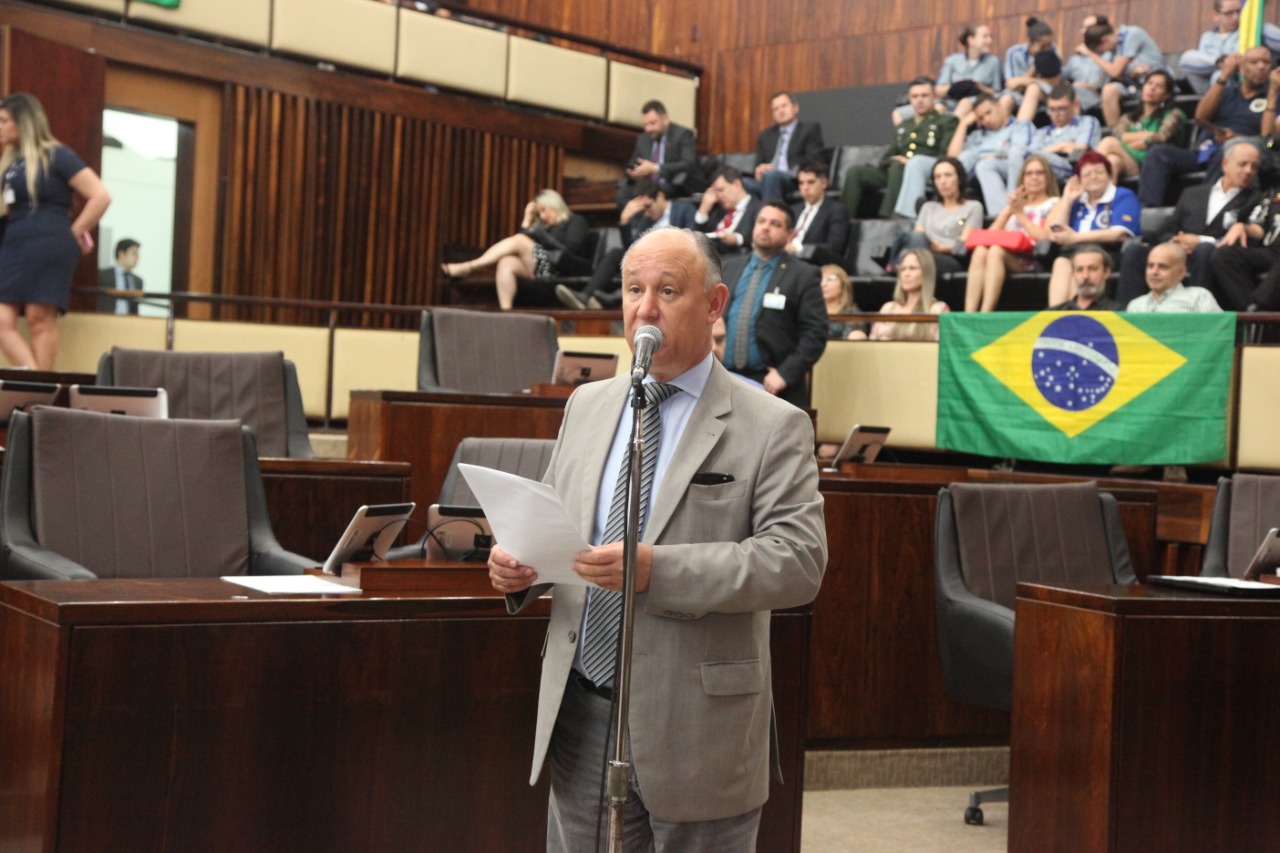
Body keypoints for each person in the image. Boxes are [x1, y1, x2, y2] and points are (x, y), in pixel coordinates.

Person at [487, 226, 827, 852]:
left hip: (697, 723)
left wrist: (657, 570)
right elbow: (559, 523)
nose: (645, 308)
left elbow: (796, 561)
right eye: (633, 289)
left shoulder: (773, 425)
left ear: (715, 304)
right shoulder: (587, 404)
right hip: (583, 710)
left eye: (668, 291)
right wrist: (519, 564)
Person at [0, 92, 110, 370]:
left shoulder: (58, 155)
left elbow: (100, 196)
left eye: (3, 121)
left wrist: (75, 231)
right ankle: (35, 382)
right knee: (2, 320)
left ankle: (35, 391)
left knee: (39, 317)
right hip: (15, 243)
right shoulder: (11, 164)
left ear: (23, 122)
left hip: (51, 241)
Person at [1116, 140, 1261, 304]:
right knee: (1134, 252)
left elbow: (1248, 243)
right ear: (1225, 164)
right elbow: (1167, 229)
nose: (1249, 171)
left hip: (1213, 257)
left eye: (1254, 166)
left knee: (1204, 250)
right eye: (1243, 164)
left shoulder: (1256, 199)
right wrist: (1175, 242)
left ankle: (1197, 314)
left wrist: (1201, 241)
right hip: (1178, 253)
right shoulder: (1193, 193)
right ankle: (1125, 317)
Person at [721, 202, 828, 407]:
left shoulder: (803, 275)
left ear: (789, 234)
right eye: (761, 221)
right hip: (725, 380)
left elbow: (815, 333)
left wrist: (785, 374)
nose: (765, 227)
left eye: (775, 224)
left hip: (772, 385)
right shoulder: (728, 268)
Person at [1138, 46, 1273, 207]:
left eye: (1266, 62)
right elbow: (1200, 117)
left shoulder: (1273, 97)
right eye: (1254, 62)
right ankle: (1148, 212)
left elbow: (1267, 136)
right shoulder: (1228, 91)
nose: (1261, 66)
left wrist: (1237, 139)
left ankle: (1200, 212)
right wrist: (1224, 76)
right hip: (1206, 149)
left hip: (1240, 153)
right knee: (1158, 153)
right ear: (1242, 67)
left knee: (1227, 153)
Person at [557, 180, 697, 310]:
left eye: (648, 206)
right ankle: (586, 296)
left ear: (660, 196)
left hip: (672, 260)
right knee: (616, 253)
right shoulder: (647, 219)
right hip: (647, 260)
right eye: (643, 209)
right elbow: (632, 249)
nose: (646, 212)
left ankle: (609, 299)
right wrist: (625, 221)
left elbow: (691, 239)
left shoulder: (684, 210)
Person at [442, 188, 590, 310]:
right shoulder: (545, 228)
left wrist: (540, 235)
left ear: (555, 204)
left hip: (562, 268)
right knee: (507, 262)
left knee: (520, 240)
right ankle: (506, 311)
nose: (543, 217)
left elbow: (571, 250)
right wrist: (526, 219)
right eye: (539, 214)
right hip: (541, 267)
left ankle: (468, 267)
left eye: (545, 210)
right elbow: (520, 243)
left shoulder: (576, 221)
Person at [895, 94, 1032, 219]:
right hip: (970, 170)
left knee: (973, 157)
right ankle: (908, 215)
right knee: (917, 161)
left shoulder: (1019, 126)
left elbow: (1020, 153)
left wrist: (986, 156)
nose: (986, 119)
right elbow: (952, 157)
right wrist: (963, 124)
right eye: (981, 118)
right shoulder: (978, 135)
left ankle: (937, 201)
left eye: (988, 112)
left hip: (1004, 167)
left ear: (999, 106)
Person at [842, 77, 958, 220]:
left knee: (898, 167)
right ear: (909, 99)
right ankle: (843, 219)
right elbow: (889, 154)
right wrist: (891, 161)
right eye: (915, 96)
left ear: (933, 96)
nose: (919, 100)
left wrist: (908, 162)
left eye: (924, 95)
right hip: (895, 171)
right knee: (855, 172)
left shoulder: (946, 121)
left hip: (923, 171)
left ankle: (887, 219)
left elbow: (944, 156)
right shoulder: (905, 125)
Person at [976, 83, 1098, 212]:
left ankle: (1013, 205)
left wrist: (1052, 150)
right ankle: (999, 212)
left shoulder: (1087, 122)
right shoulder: (1042, 132)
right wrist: (1063, 145)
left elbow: (1079, 152)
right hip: (1039, 164)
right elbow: (1031, 157)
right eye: (1052, 109)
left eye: (1061, 108)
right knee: (984, 165)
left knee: (1019, 152)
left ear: (1074, 105)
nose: (1056, 114)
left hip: (1066, 166)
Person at [1043, 151, 1142, 305]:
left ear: (1109, 175)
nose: (1094, 177)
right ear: (1079, 180)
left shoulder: (1122, 195)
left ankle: (1080, 316)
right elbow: (1056, 233)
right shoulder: (1077, 200)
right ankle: (1056, 318)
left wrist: (1074, 238)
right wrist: (1067, 199)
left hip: (1107, 252)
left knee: (1083, 263)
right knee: (1061, 263)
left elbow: (1119, 233)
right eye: (1087, 174)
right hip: (1074, 253)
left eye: (1099, 172)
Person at [965, 154, 1060, 312]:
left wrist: (1021, 216)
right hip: (1006, 255)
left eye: (1039, 173)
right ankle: (969, 313)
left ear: (1048, 177)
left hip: (1033, 260)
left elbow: (1045, 237)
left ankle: (985, 313)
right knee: (981, 251)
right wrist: (1008, 210)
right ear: (1022, 179)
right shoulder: (1014, 206)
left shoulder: (1055, 203)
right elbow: (989, 236)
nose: (1034, 177)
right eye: (1029, 174)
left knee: (995, 251)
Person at [1094, 70, 1188, 183]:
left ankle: (1084, 179)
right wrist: (1147, 136)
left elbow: (1161, 137)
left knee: (1109, 143)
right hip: (1129, 162)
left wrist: (1129, 139)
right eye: (1149, 83)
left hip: (1151, 165)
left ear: (1166, 95)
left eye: (1159, 86)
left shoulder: (1174, 114)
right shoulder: (1129, 117)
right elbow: (1118, 134)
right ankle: (1105, 199)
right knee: (1113, 161)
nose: (1152, 88)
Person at [895, 157, 983, 274]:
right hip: (924, 253)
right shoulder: (928, 207)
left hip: (952, 259)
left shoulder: (973, 207)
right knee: (912, 240)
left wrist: (941, 248)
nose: (942, 181)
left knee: (912, 259)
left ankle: (896, 264)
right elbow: (918, 237)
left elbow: (965, 244)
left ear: (959, 178)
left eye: (948, 175)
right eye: (938, 177)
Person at [1071, 16, 1164, 126]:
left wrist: (1090, 54)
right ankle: (1114, 132)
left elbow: (1115, 71)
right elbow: (1117, 76)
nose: (1103, 53)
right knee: (1109, 90)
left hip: (1158, 83)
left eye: (1100, 50)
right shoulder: (1114, 47)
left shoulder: (1131, 34)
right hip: (1135, 86)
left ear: (1105, 40)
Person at [1180, 0, 1280, 93]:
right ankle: (1224, 61)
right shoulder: (1207, 37)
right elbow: (1200, 66)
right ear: (1216, 15)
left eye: (1238, 12)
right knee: (1186, 57)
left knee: (1218, 76)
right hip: (1207, 89)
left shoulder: (1254, 31)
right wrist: (1224, 62)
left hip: (1239, 85)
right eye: (1229, 13)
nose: (1235, 17)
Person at [1210, 178, 1280, 311]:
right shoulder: (1274, 194)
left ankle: (1258, 307)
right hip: (1272, 250)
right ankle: (1251, 311)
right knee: (1223, 255)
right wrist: (1243, 227)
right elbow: (1258, 227)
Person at [617, 99, 701, 205]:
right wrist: (633, 173)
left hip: (671, 185)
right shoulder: (643, 139)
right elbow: (633, 163)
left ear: (665, 119)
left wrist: (655, 168)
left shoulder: (682, 135)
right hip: (647, 186)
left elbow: (689, 163)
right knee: (623, 194)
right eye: (645, 125)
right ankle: (634, 221)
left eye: (652, 123)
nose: (648, 129)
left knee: (652, 195)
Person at [744, 92, 825, 201]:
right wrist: (760, 169)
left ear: (795, 107)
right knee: (739, 183)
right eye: (776, 109)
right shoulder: (766, 136)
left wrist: (785, 171)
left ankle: (772, 216)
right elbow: (758, 164)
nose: (780, 111)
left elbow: (815, 159)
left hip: (793, 179)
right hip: (768, 180)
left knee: (772, 176)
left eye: (784, 106)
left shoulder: (809, 129)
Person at [869, 248, 950, 341]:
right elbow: (872, 342)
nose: (906, 274)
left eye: (912, 268)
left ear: (926, 273)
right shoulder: (888, 308)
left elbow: (943, 348)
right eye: (903, 269)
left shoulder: (938, 309)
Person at [929, 24, 1002, 122]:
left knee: (965, 103)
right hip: (951, 101)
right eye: (985, 37)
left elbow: (997, 92)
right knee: (937, 108)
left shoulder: (993, 61)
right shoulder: (952, 60)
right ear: (971, 40)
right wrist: (958, 86)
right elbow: (939, 89)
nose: (990, 41)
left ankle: (951, 131)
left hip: (977, 102)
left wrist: (977, 86)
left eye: (990, 36)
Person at [1126, 241, 1223, 312]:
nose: (1154, 272)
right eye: (1150, 266)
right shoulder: (1135, 305)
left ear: (1181, 272)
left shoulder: (1199, 297)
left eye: (1163, 267)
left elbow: (1216, 333)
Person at [787, 161, 848, 265]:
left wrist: (799, 248)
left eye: (811, 182)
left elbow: (834, 246)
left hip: (812, 264)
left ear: (823, 183)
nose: (805, 188)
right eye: (801, 183)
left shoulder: (836, 211)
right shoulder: (792, 210)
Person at [997, 16, 1060, 115]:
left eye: (1049, 45)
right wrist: (1035, 68)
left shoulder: (1053, 50)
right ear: (1029, 41)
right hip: (1019, 94)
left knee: (1033, 88)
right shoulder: (1014, 53)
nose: (1047, 49)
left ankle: (1022, 127)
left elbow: (1054, 82)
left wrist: (1025, 80)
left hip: (1045, 93)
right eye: (1043, 46)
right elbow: (1012, 85)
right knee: (1006, 99)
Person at [694, 166, 763, 254]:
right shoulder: (718, 212)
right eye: (715, 192)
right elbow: (698, 240)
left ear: (736, 184)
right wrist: (703, 211)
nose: (717, 196)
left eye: (721, 190)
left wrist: (738, 239)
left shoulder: (759, 208)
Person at [1050, 243, 1123, 310]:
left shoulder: (1120, 313)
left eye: (1092, 269)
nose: (1085, 276)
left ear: (1106, 272)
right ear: (1073, 273)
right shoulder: (1054, 313)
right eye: (1079, 270)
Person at [820, 264, 867, 340]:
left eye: (830, 279)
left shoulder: (852, 313)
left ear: (843, 285)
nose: (823, 284)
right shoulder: (808, 311)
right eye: (820, 279)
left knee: (857, 335)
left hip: (841, 351)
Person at [97, 237, 141, 315]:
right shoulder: (103, 275)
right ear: (121, 254)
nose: (138, 257)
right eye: (134, 253)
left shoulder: (138, 281)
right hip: (106, 321)